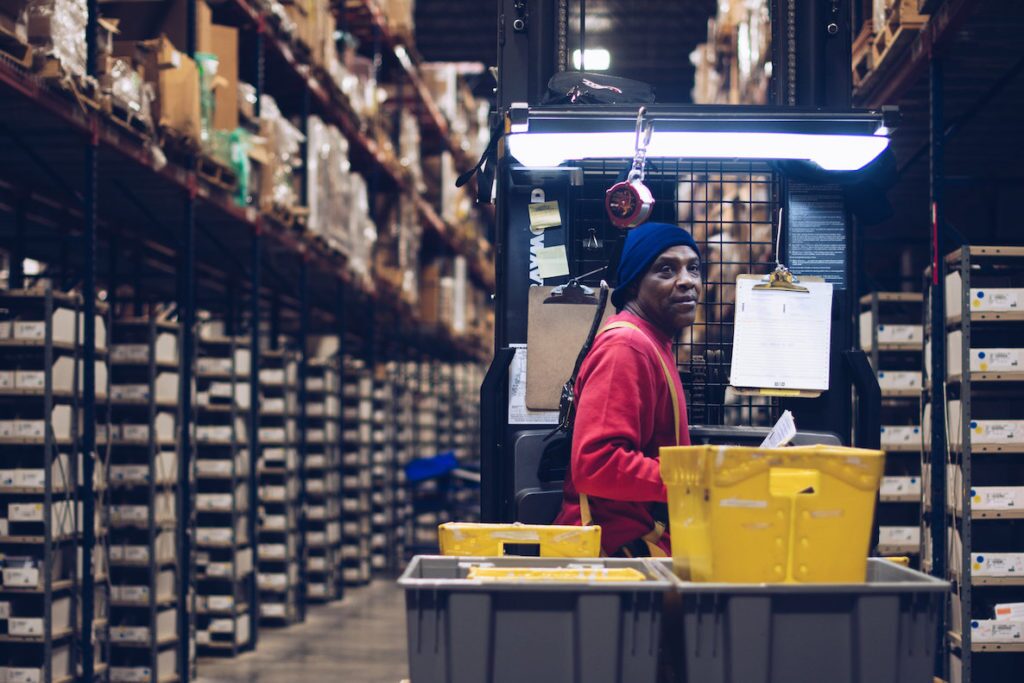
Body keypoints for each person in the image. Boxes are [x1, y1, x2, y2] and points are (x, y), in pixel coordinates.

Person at [553, 222, 701, 557]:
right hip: (612, 557)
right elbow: (597, 464)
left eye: (694, 268)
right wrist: (694, 479)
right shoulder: (626, 346)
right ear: (635, 283)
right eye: (666, 269)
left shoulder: (652, 342)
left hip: (632, 550)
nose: (687, 281)